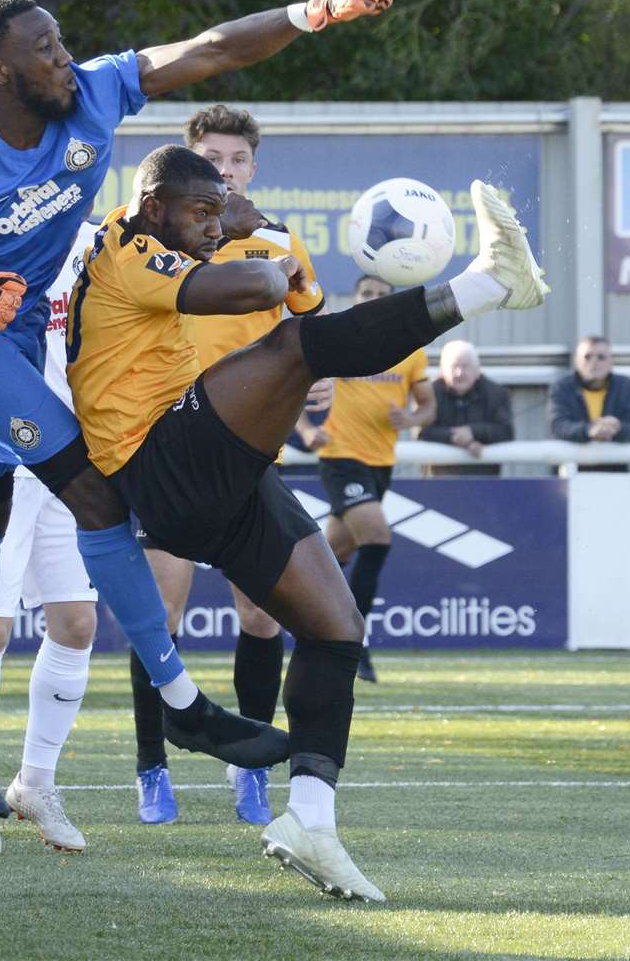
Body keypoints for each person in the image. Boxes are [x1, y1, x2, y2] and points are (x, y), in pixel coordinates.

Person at [0, 0, 396, 815]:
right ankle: (180, 705)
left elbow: (209, 47)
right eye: (44, 52)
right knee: (93, 498)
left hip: (21, 332)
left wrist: (314, 11)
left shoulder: (88, 95)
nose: (65, 60)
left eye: (61, 42)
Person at [66, 145, 546, 901]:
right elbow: (261, 287)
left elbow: (312, 315)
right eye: (202, 210)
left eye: (219, 206)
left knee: (335, 628)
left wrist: (261, 250)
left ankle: (310, 821)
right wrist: (256, 241)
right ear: (153, 206)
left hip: (219, 461)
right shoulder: (126, 245)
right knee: (292, 350)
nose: (213, 222)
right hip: (158, 459)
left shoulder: (182, 235)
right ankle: (489, 284)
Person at [131, 104, 328, 828]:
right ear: (187, 164)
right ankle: (151, 767)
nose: (224, 169)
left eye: (236, 160)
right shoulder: (154, 235)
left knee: (260, 614)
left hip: (248, 452)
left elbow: (306, 322)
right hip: (169, 450)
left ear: (252, 168)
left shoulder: (276, 238)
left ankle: (249, 775)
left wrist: (319, 372)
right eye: (210, 158)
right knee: (160, 617)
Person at [0, 256, 98, 857]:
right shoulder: (1, 237)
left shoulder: (102, 244)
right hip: (4, 457)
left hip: (74, 457)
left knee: (77, 623)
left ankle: (35, 784)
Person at [298, 276, 434, 684]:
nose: (374, 300)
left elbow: (428, 406)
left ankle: (310, 626)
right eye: (367, 294)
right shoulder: (338, 340)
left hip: (380, 464)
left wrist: (410, 419)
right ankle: (352, 642)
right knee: (376, 537)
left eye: (381, 296)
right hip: (341, 458)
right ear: (355, 299)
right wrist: (305, 430)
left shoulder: (408, 350)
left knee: (329, 557)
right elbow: (292, 383)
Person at [418, 340, 512, 477]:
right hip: (438, 482)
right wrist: (459, 438)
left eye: (465, 366)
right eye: (454, 366)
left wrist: (473, 431)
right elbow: (422, 433)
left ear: (477, 369)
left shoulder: (496, 393)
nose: (459, 373)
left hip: (485, 482)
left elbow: (506, 432)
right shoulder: (430, 394)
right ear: (443, 370)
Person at [548, 336, 630, 470]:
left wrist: (617, 427)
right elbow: (558, 426)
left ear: (611, 361)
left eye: (601, 357)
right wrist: (589, 430)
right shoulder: (562, 387)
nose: (594, 362)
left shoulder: (626, 386)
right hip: (571, 474)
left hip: (614, 474)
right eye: (587, 357)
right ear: (576, 361)